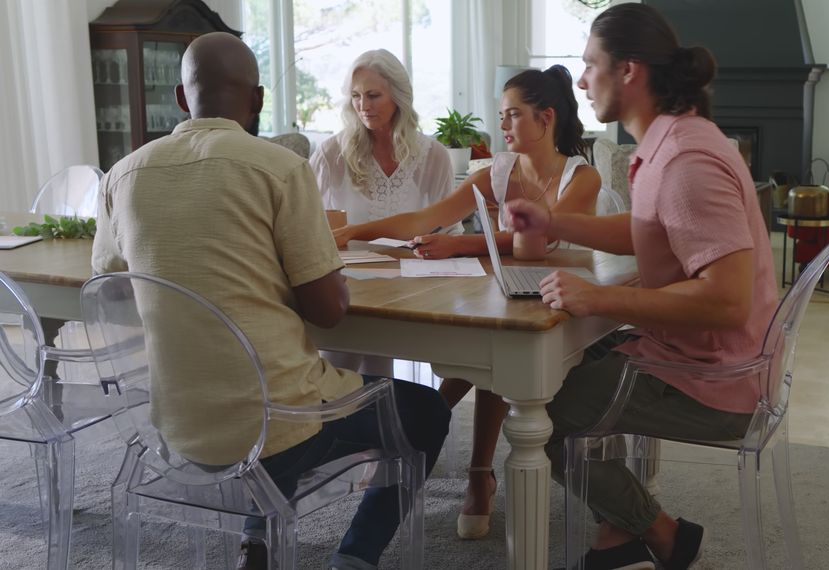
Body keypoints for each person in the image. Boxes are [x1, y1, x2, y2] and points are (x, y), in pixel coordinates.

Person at [91, 32, 450, 570]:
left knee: (266, 394)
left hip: (175, 422)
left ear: (181, 98)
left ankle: (255, 541)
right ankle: (354, 557)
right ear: (257, 100)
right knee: (426, 412)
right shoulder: (279, 169)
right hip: (278, 420)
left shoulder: (122, 174)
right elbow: (328, 310)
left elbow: (112, 276)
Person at [503, 5, 779, 570]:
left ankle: (663, 533)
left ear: (629, 71)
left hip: (717, 382)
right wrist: (552, 221)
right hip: (690, 351)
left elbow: (728, 301)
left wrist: (598, 297)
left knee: (545, 412)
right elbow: (648, 231)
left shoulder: (684, 160)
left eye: (590, 65)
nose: (580, 80)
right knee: (560, 368)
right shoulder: (668, 142)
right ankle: (617, 531)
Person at [335, 65, 601, 540]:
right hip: (509, 288)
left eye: (512, 116)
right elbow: (429, 216)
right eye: (501, 116)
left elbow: (533, 245)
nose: (501, 127)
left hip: (564, 300)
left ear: (546, 118)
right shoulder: (497, 170)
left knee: (497, 343)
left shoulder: (583, 179)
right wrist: (356, 231)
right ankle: (467, 466)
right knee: (487, 334)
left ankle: (450, 455)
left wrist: (458, 245)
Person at [310, 49, 458, 379]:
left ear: (399, 96)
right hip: (348, 291)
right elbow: (307, 226)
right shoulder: (331, 154)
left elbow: (449, 232)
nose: (363, 105)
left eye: (374, 95)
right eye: (356, 96)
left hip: (413, 291)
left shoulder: (433, 156)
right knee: (334, 377)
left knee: (384, 378)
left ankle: (383, 422)